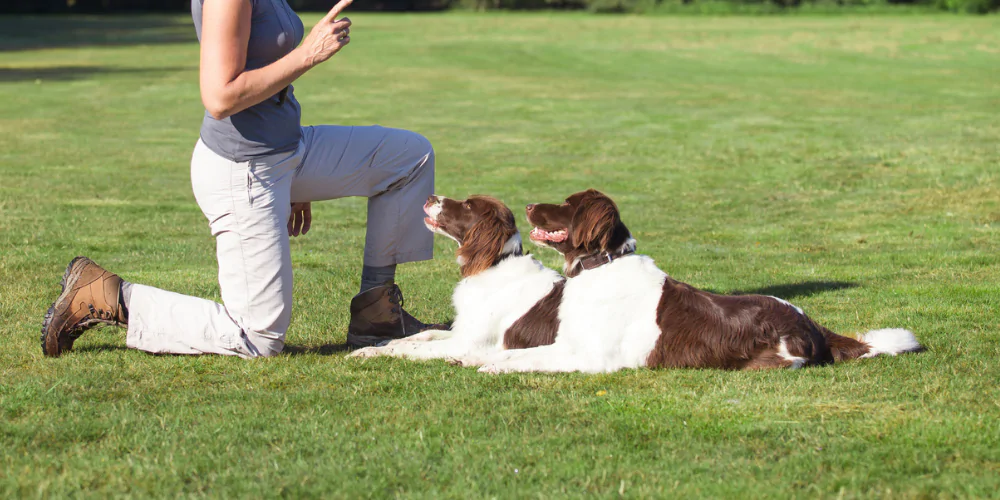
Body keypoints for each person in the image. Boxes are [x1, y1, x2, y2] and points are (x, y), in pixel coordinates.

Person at [40, 0, 441, 358]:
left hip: (290, 150)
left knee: (407, 156)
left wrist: (300, 181)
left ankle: (377, 313)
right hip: (244, 169)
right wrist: (309, 54)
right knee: (259, 337)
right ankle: (107, 295)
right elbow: (220, 97)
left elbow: (267, 69)